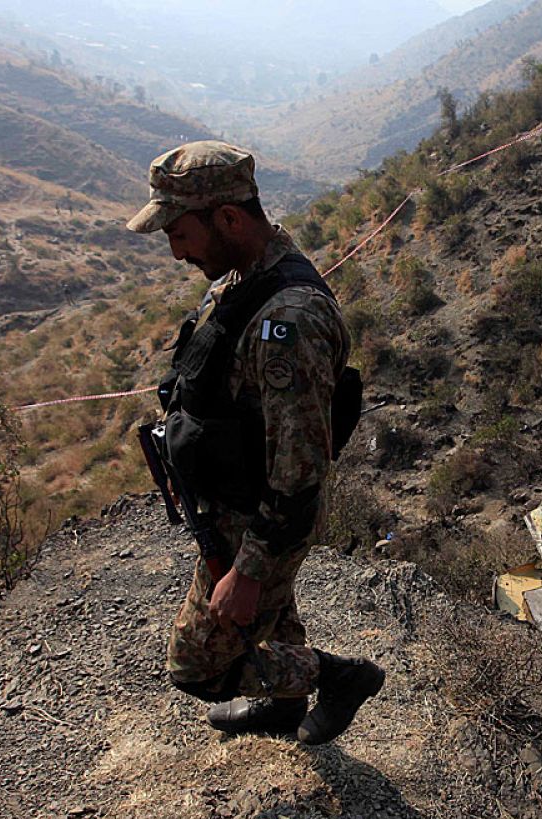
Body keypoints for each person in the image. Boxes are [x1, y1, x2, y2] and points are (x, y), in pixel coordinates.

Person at [127, 140, 383, 745]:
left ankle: (338, 677)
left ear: (229, 218)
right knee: (265, 621)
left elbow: (300, 466)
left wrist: (249, 567)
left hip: (260, 520)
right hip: (231, 506)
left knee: (198, 664)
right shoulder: (247, 275)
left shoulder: (288, 321)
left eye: (180, 232)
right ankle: (284, 707)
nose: (175, 249)